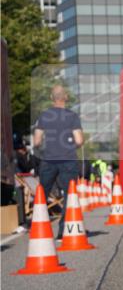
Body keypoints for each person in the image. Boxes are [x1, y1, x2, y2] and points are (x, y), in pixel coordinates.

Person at [32, 85, 84, 228]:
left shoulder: (44, 116)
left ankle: (39, 227)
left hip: (48, 160)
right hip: (68, 160)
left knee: (42, 193)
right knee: (70, 195)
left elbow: (36, 141)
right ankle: (64, 230)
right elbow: (79, 140)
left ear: (51, 98)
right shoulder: (72, 116)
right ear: (65, 97)